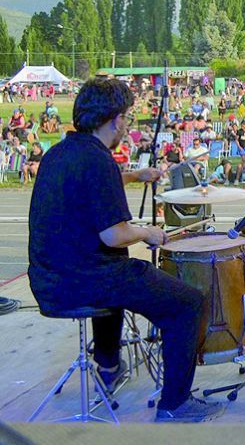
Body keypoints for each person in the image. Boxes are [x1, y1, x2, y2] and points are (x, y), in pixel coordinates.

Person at [27, 78, 221, 423]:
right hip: (84, 279)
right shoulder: (98, 162)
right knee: (187, 303)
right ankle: (176, 405)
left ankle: (108, 366)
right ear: (116, 119)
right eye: (128, 118)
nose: (127, 124)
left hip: (48, 280)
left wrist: (134, 175)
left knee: (119, 272)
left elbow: (94, 181)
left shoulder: (61, 153)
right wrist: (149, 233)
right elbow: (114, 235)